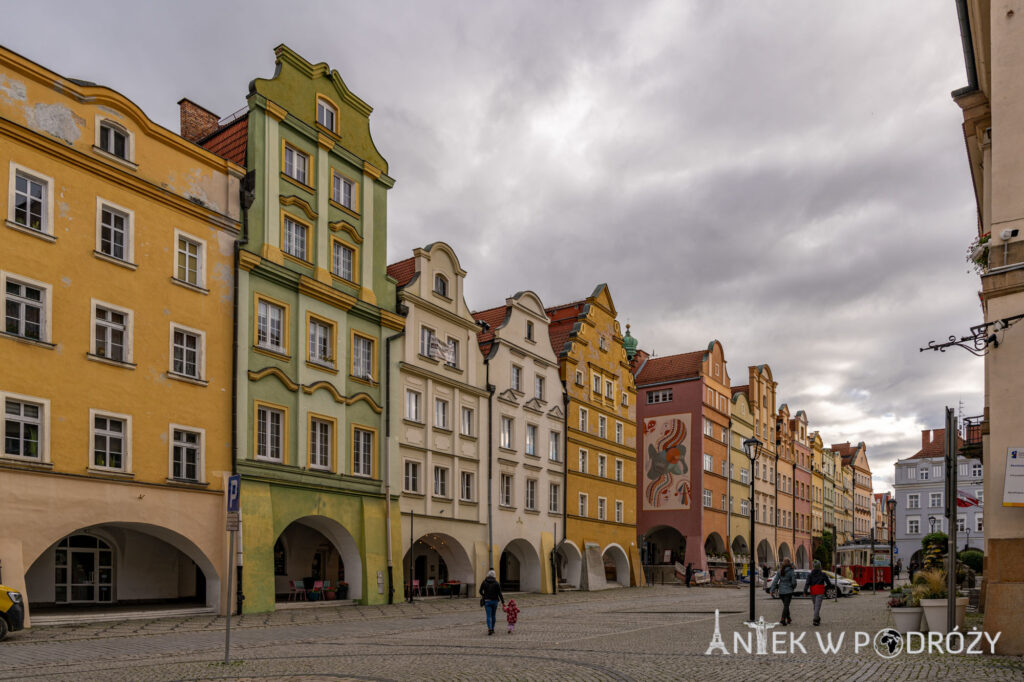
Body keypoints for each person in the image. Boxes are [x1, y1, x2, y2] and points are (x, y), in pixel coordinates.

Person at [803, 560, 833, 626]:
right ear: (820, 566)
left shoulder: (810, 575)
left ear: (813, 566)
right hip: (820, 590)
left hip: (813, 591)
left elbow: (807, 583)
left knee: (815, 606)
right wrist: (828, 587)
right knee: (817, 606)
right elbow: (828, 582)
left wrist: (805, 591)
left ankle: (817, 618)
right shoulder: (823, 574)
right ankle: (815, 619)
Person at [769, 557, 796, 625]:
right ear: (789, 563)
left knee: (785, 605)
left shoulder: (780, 571)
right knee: (786, 606)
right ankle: (783, 619)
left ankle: (789, 618)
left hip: (781, 591)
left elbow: (775, 581)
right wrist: (793, 587)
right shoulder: (791, 571)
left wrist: (772, 590)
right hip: (788, 591)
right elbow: (794, 582)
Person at [478, 569, 504, 635]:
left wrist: (484, 595)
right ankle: (492, 629)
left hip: (487, 601)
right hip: (495, 601)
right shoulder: (496, 583)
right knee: (493, 615)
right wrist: (503, 602)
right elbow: (499, 593)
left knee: (488, 616)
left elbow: (480, 591)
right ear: (494, 576)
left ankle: (489, 628)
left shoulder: (484, 582)